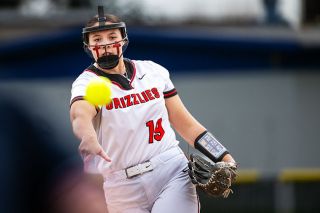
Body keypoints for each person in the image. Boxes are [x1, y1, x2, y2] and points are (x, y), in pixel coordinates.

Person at [69, 6, 237, 213]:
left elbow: (187, 125)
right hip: (120, 186)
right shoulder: (87, 83)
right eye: (97, 39)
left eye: (111, 36)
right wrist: (88, 138)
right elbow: (80, 114)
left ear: (123, 39)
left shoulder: (152, 71)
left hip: (169, 170)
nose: (105, 44)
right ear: (88, 45)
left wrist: (225, 157)